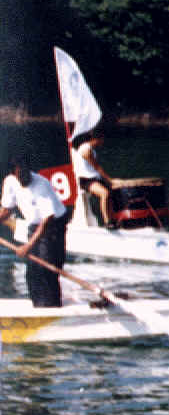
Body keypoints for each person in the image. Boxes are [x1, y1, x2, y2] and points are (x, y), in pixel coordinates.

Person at [0, 153, 68, 307]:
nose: (24, 177)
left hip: (53, 226)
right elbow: (6, 211)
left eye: (25, 172)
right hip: (33, 226)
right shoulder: (10, 182)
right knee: (32, 272)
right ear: (13, 174)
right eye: (19, 174)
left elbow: (47, 219)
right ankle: (38, 306)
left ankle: (52, 307)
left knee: (47, 269)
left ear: (29, 169)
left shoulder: (41, 184)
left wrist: (28, 246)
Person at [70, 128, 115, 227]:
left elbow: (96, 170)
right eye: (102, 139)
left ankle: (113, 218)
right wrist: (110, 180)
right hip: (85, 180)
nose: (103, 142)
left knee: (112, 192)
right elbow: (97, 168)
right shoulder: (86, 150)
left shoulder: (91, 149)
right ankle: (107, 222)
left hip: (93, 179)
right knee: (105, 193)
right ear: (96, 139)